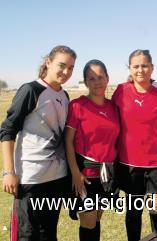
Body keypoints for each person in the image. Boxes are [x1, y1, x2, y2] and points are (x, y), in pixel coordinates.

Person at [0, 45, 77, 241]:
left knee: (49, 231)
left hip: (57, 178)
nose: (66, 72)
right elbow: (7, 131)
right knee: (27, 234)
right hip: (31, 179)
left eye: (71, 67)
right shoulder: (31, 90)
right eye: (62, 65)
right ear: (48, 62)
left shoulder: (64, 95)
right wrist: (9, 172)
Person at [112, 49, 157, 241]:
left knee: (156, 207)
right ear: (130, 69)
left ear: (152, 67)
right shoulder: (121, 91)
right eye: (136, 66)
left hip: (156, 162)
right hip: (129, 162)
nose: (141, 70)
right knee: (134, 210)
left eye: (144, 65)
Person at [65, 60, 120, 241]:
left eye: (100, 77)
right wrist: (75, 173)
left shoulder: (113, 107)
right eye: (91, 78)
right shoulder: (78, 105)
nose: (97, 82)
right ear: (86, 82)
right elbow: (68, 141)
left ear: (107, 79)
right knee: (88, 222)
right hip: (85, 175)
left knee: (96, 219)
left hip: (107, 176)